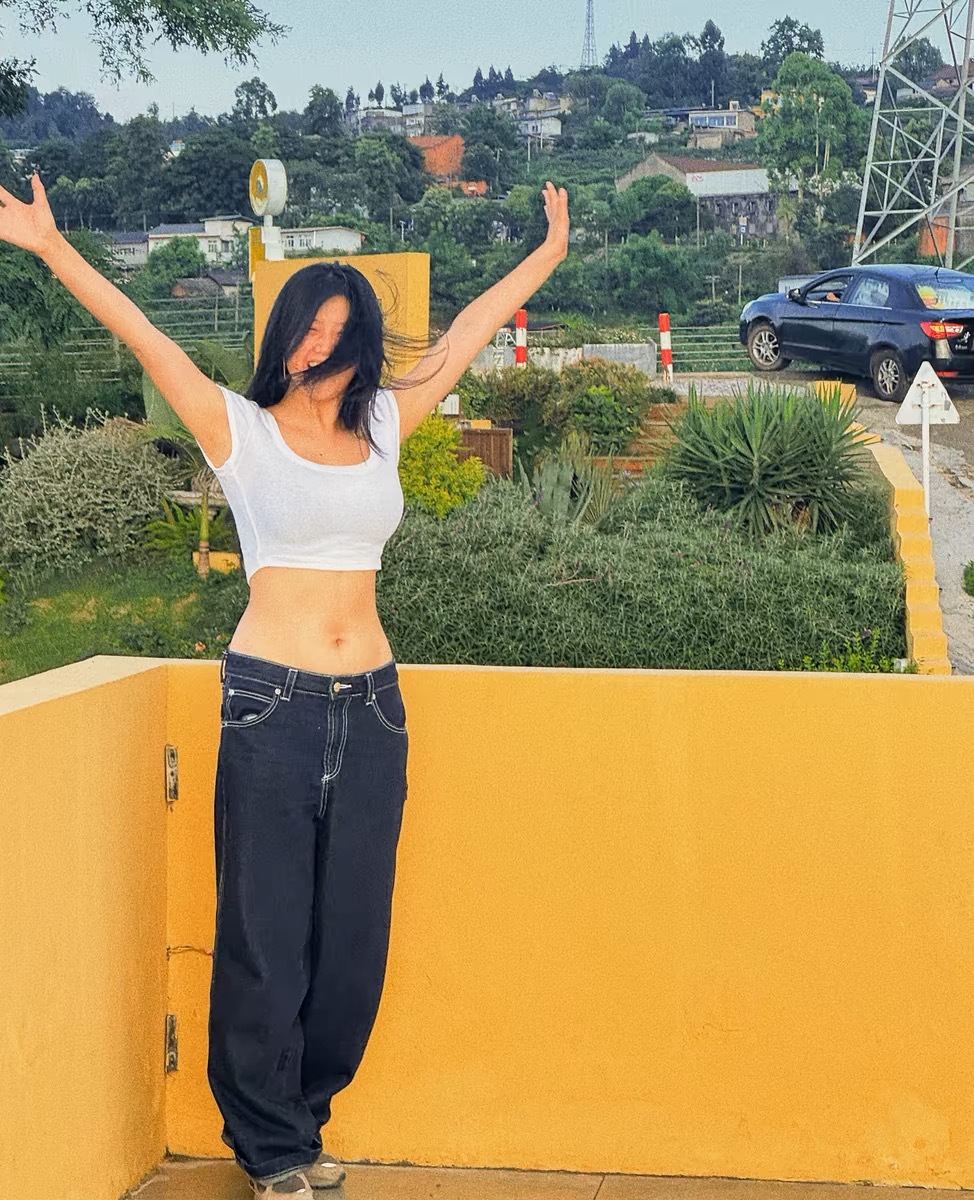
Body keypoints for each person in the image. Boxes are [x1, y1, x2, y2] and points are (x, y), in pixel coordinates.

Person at [0, 172, 569, 1198]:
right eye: (309, 328)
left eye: (341, 332)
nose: (321, 347)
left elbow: (470, 331)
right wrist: (51, 246)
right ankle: (269, 1150)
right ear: (285, 333)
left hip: (375, 708)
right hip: (273, 705)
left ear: (362, 342)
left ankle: (303, 1123)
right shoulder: (240, 430)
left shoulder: (386, 423)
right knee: (264, 936)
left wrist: (548, 253)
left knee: (351, 943)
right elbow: (147, 337)